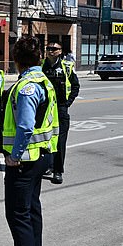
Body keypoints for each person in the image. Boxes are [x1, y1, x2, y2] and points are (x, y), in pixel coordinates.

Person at [3, 35, 59, 246]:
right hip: (42, 157)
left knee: (19, 218)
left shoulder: (27, 86)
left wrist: (14, 157)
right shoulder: (43, 80)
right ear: (38, 57)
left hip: (25, 161)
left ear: (17, 60)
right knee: (32, 213)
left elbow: (25, 127)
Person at [42, 42, 80, 184]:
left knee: (59, 142)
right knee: (44, 139)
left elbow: (75, 86)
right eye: (48, 49)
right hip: (44, 110)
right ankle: (48, 166)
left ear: (60, 51)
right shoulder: (40, 67)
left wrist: (67, 103)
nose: (51, 51)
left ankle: (58, 171)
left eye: (54, 49)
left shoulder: (67, 67)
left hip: (60, 109)